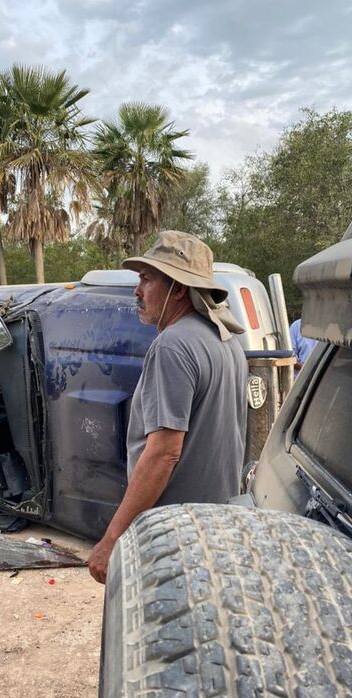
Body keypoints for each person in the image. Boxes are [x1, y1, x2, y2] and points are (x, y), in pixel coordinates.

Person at [88, 231, 248, 584]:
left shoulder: (173, 346)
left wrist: (111, 539)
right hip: (216, 525)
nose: (137, 290)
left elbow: (163, 454)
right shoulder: (227, 340)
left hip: (177, 535)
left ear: (177, 289)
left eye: (146, 279)